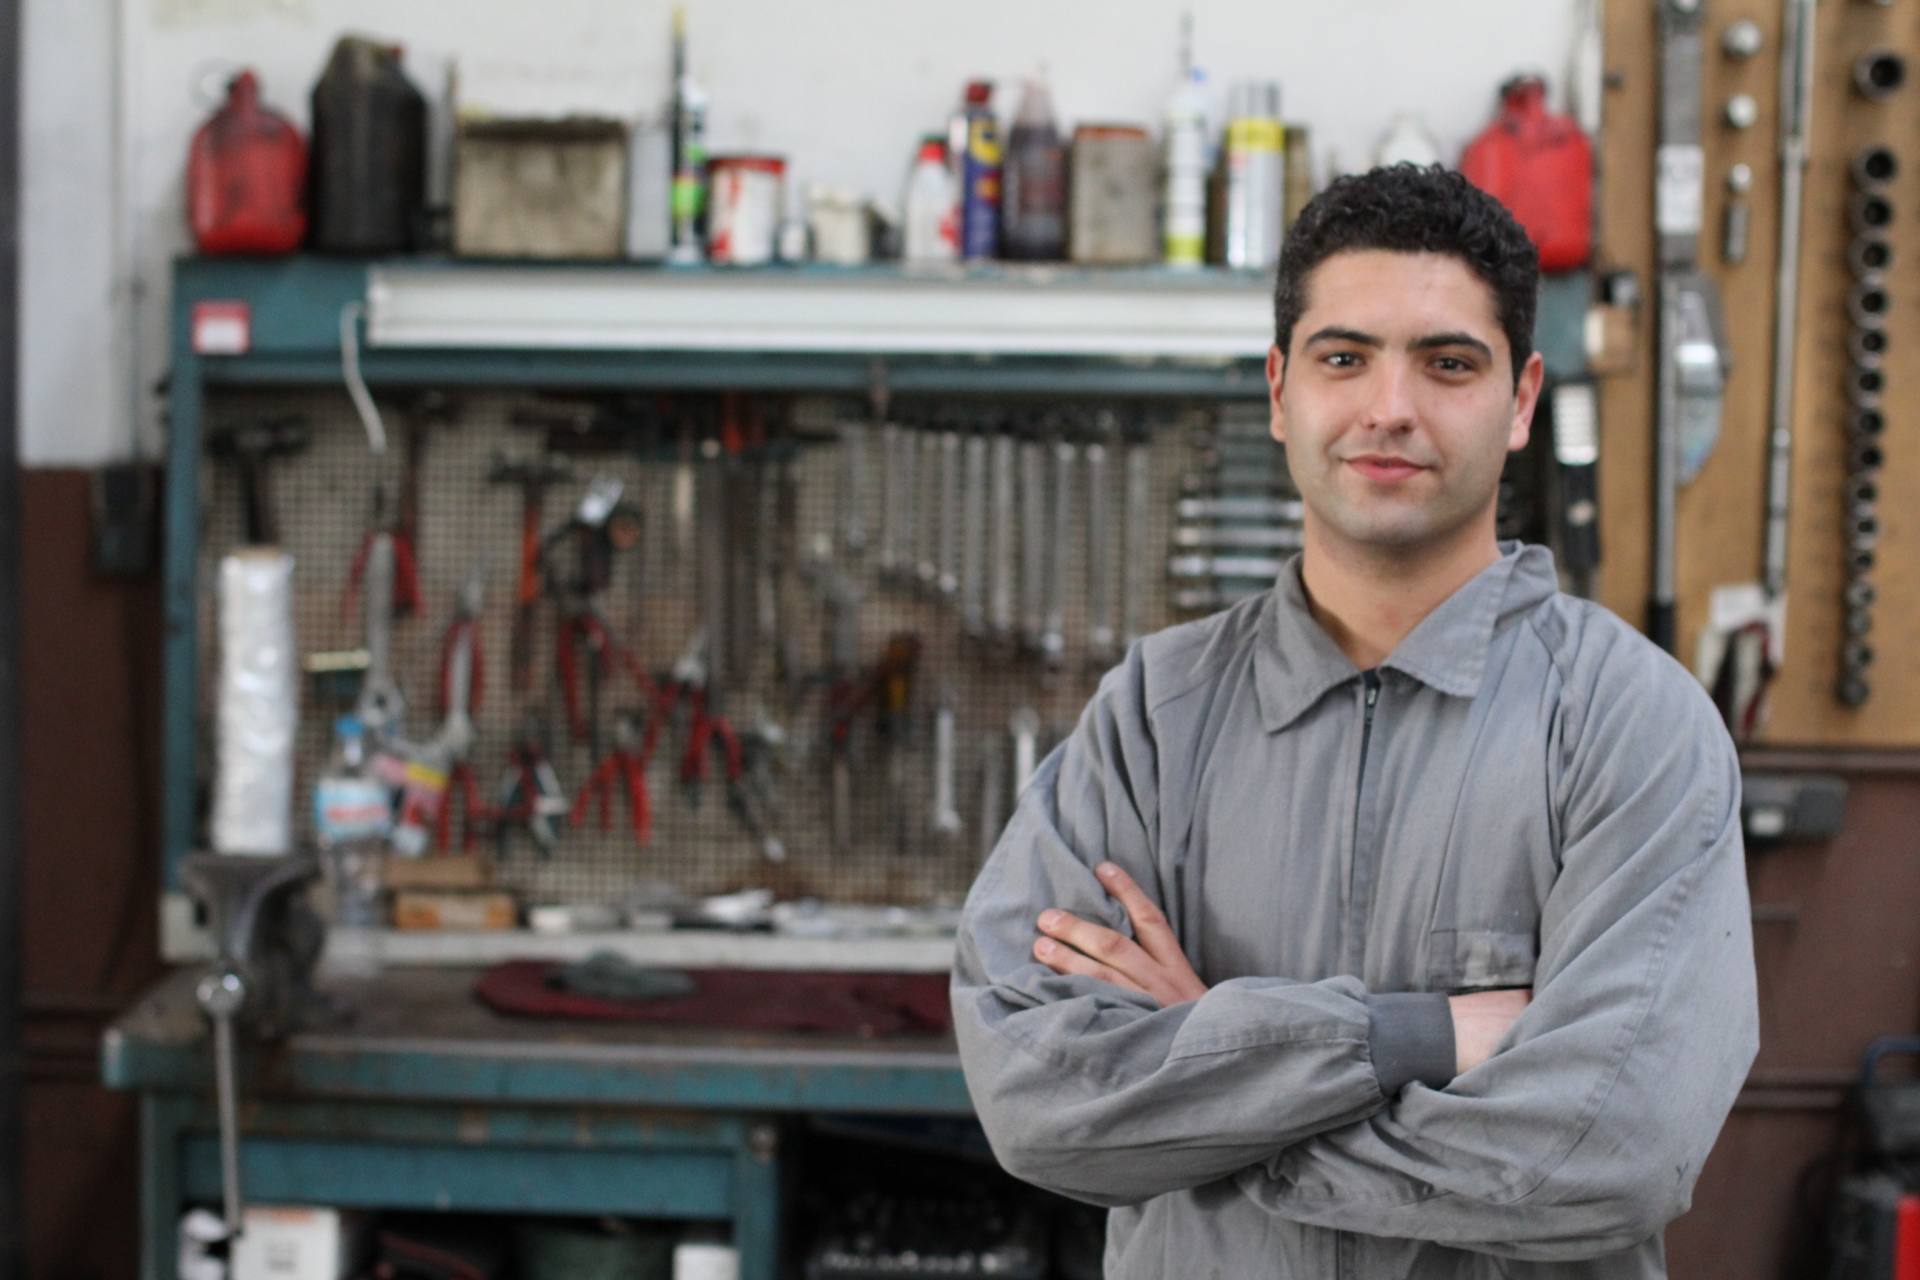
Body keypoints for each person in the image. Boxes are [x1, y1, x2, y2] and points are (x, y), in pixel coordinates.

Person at [950, 164, 1758, 1278]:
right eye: (1345, 356)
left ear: (1521, 400)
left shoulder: (1632, 725)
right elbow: (1038, 1096)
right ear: (1281, 389)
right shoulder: (1154, 715)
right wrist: (1419, 1038)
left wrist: (1224, 1095)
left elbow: (1611, 1149)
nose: (1391, 406)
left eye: (1448, 363)